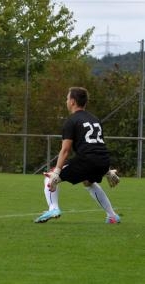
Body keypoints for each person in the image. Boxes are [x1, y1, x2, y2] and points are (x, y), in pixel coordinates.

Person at [34, 86, 121, 224]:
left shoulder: (72, 121)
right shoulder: (95, 119)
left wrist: (56, 172)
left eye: (67, 98)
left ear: (73, 102)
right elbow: (97, 146)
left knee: (49, 177)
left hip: (87, 160)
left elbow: (65, 150)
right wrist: (107, 170)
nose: (66, 101)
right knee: (88, 182)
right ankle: (112, 216)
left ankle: (53, 208)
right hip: (103, 160)